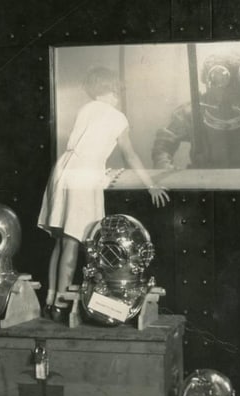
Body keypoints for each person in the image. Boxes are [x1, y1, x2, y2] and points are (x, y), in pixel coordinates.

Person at [38, 66, 169, 321]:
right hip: (83, 175)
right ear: (111, 89)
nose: (119, 95)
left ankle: (51, 299)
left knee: (62, 240)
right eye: (118, 90)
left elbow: (87, 146)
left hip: (63, 169)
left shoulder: (86, 108)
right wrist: (150, 184)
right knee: (74, 240)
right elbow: (129, 153)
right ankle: (62, 306)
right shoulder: (118, 117)